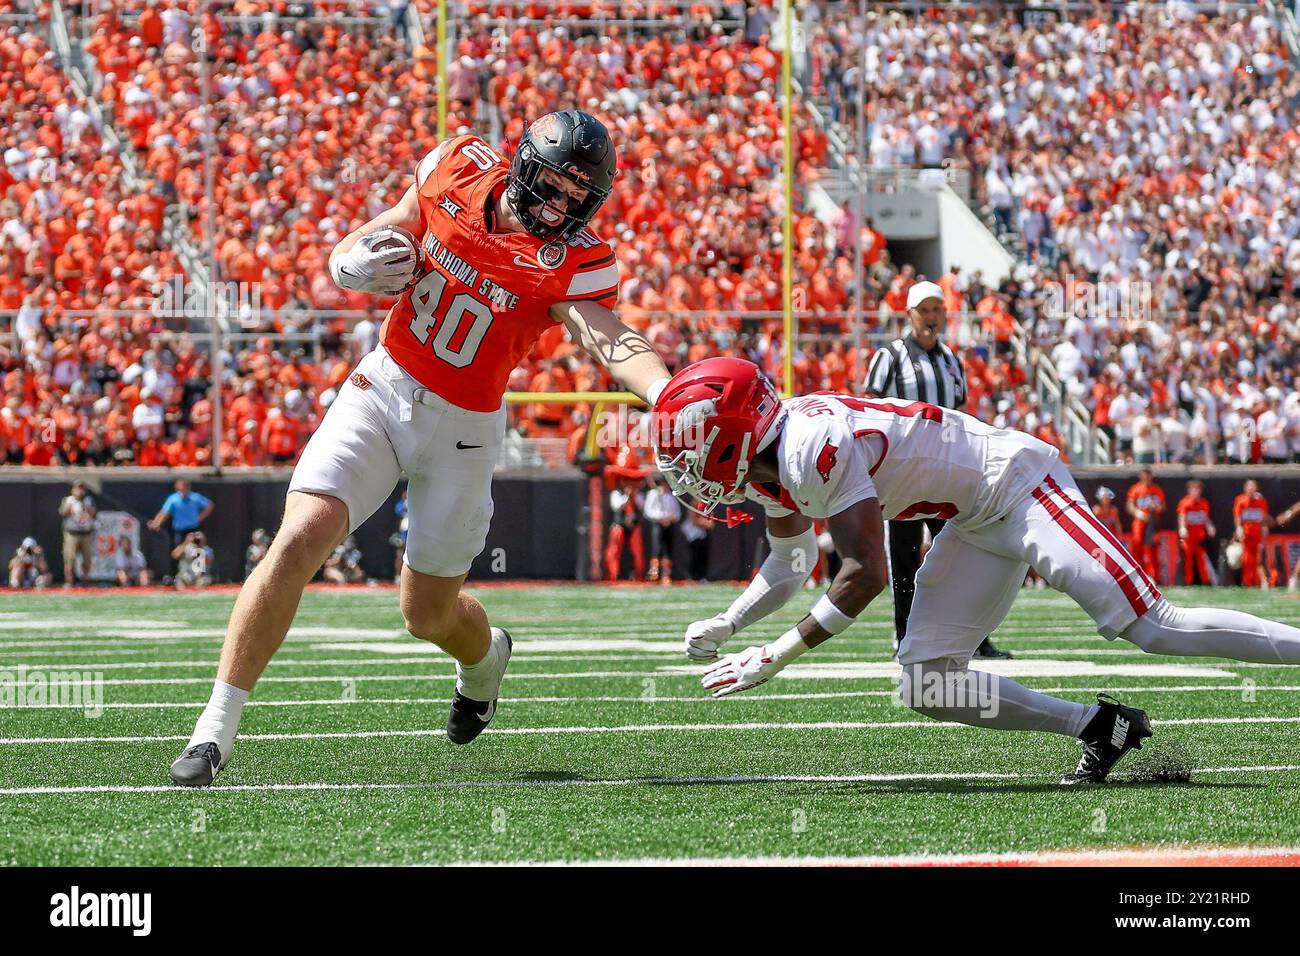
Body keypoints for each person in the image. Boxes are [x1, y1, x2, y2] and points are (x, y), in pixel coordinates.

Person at [169, 111, 671, 786]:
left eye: (578, 197)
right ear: (522, 166)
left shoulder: (578, 261)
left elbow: (607, 337)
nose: (560, 206)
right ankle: (213, 731)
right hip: (382, 387)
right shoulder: (458, 166)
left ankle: (485, 660)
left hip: (466, 429)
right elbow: (389, 225)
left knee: (426, 614)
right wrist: (345, 259)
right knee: (298, 539)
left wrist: (668, 393)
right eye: (553, 185)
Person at [657, 358, 1300, 784]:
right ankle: (1103, 726)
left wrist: (776, 654)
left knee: (1152, 626)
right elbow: (792, 562)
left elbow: (864, 574)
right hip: (973, 519)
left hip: (1016, 485)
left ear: (734, 431)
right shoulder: (772, 465)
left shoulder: (807, 447)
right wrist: (730, 620)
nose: (685, 465)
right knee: (926, 683)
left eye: (692, 444)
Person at [864, 280, 1009, 660]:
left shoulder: (950, 359)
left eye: (935, 310)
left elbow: (958, 413)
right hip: (903, 475)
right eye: (923, 310)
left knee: (965, 558)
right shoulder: (890, 356)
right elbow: (869, 410)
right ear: (909, 314)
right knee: (905, 558)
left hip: (947, 475)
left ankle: (975, 639)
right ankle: (906, 637)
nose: (930, 317)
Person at [1125, 468, 1165, 582]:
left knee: (1151, 548)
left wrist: (1157, 507)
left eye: (1148, 476)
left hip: (1152, 523)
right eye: (1144, 476)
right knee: (1137, 546)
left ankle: (1153, 576)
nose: (1146, 479)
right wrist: (1138, 513)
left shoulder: (1157, 489)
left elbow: (1163, 506)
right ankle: (1138, 576)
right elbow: (1129, 506)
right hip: (1139, 522)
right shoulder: (1136, 489)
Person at [643, 473, 682, 584]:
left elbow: (677, 513)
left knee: (667, 550)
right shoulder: (654, 494)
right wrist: (660, 518)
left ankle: (666, 573)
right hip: (657, 524)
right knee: (657, 549)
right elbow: (648, 511)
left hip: (669, 525)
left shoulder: (671, 496)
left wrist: (669, 519)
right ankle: (654, 573)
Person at [1176, 480, 1216, 585]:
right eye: (1194, 489)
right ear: (1189, 490)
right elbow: (1182, 517)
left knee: (1201, 559)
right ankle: (1188, 582)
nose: (1196, 491)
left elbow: (1205, 518)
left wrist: (1210, 527)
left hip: (1199, 537)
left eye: (1198, 489)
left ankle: (1206, 582)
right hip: (1188, 537)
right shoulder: (1185, 503)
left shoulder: (1203, 503)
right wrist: (1182, 528)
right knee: (1188, 560)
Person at [58, 479, 98, 585]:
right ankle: (70, 582)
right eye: (78, 488)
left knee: (87, 559)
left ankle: (86, 581)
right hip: (72, 533)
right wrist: (72, 504)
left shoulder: (89, 500)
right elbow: (63, 513)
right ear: (73, 489)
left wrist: (86, 507)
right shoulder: (68, 500)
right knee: (70, 559)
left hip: (86, 534)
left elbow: (94, 515)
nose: (80, 491)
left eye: (82, 488)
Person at [1232, 479, 1271, 588]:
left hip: (1257, 534)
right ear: (1245, 489)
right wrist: (1239, 527)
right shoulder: (1240, 500)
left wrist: (1264, 527)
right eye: (1249, 487)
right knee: (1247, 558)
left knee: (1258, 558)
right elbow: (1237, 515)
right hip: (1246, 534)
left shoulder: (1261, 501)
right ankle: (1248, 582)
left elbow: (1263, 516)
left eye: (1253, 487)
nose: (1251, 490)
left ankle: (1258, 581)